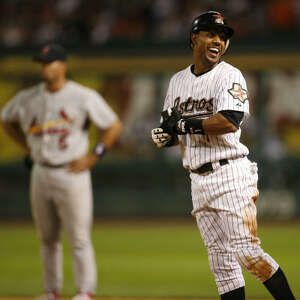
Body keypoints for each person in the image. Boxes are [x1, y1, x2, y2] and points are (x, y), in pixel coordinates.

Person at [151, 11, 295, 300]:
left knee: (248, 253)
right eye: (211, 34)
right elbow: (174, 127)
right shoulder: (177, 81)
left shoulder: (229, 74)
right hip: (198, 179)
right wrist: (167, 136)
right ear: (195, 38)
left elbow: (230, 120)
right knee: (222, 264)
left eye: (223, 36)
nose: (219, 40)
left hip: (230, 173)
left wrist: (183, 125)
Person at [1, 43, 122, 300]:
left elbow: (113, 125)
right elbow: (5, 119)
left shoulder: (82, 96)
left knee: (78, 237)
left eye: (50, 62)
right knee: (46, 237)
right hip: (40, 172)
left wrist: (94, 155)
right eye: (42, 62)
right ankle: (51, 291)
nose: (45, 67)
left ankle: (85, 291)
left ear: (63, 65)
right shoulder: (28, 97)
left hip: (72, 172)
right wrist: (26, 147)